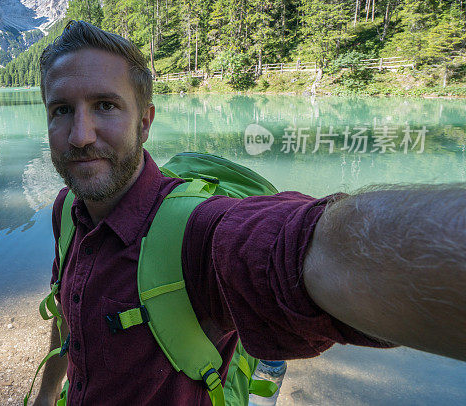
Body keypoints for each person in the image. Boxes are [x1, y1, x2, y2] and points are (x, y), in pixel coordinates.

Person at [29, 20, 466, 405]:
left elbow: (298, 248)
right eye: (62, 110)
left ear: (145, 122)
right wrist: (47, 395)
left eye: (105, 105)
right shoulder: (68, 211)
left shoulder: (196, 233)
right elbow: (69, 309)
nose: (81, 135)